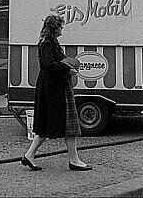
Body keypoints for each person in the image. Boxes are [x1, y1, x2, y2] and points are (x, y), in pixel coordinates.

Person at [21, 14, 92, 172]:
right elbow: (48, 64)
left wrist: (68, 63)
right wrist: (68, 68)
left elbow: (56, 61)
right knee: (66, 124)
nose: (62, 29)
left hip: (55, 87)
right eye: (60, 26)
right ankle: (73, 160)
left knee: (52, 124)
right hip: (52, 89)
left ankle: (30, 155)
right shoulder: (47, 43)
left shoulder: (51, 41)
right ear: (54, 28)